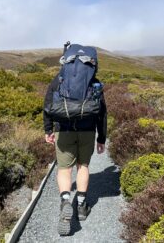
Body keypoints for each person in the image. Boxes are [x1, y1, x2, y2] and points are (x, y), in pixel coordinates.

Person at [43, 46, 107, 236]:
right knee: (83, 166)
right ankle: (80, 206)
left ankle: (65, 201)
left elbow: (47, 105)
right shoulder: (94, 82)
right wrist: (101, 138)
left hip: (64, 130)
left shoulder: (59, 80)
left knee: (64, 169)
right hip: (87, 131)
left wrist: (48, 130)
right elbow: (102, 113)